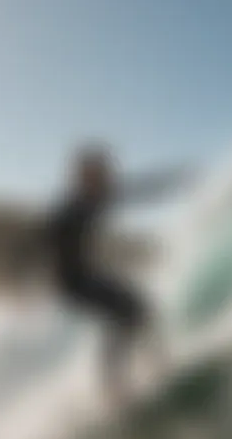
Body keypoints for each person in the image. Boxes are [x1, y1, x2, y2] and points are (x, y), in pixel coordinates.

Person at [43, 145, 157, 403]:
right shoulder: (71, 208)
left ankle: (152, 367)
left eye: (106, 174)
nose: (107, 178)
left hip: (85, 276)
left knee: (138, 308)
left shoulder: (94, 199)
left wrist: (164, 183)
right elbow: (38, 243)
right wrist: (21, 279)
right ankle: (114, 388)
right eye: (101, 174)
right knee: (124, 315)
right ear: (85, 178)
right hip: (71, 284)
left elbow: (132, 191)